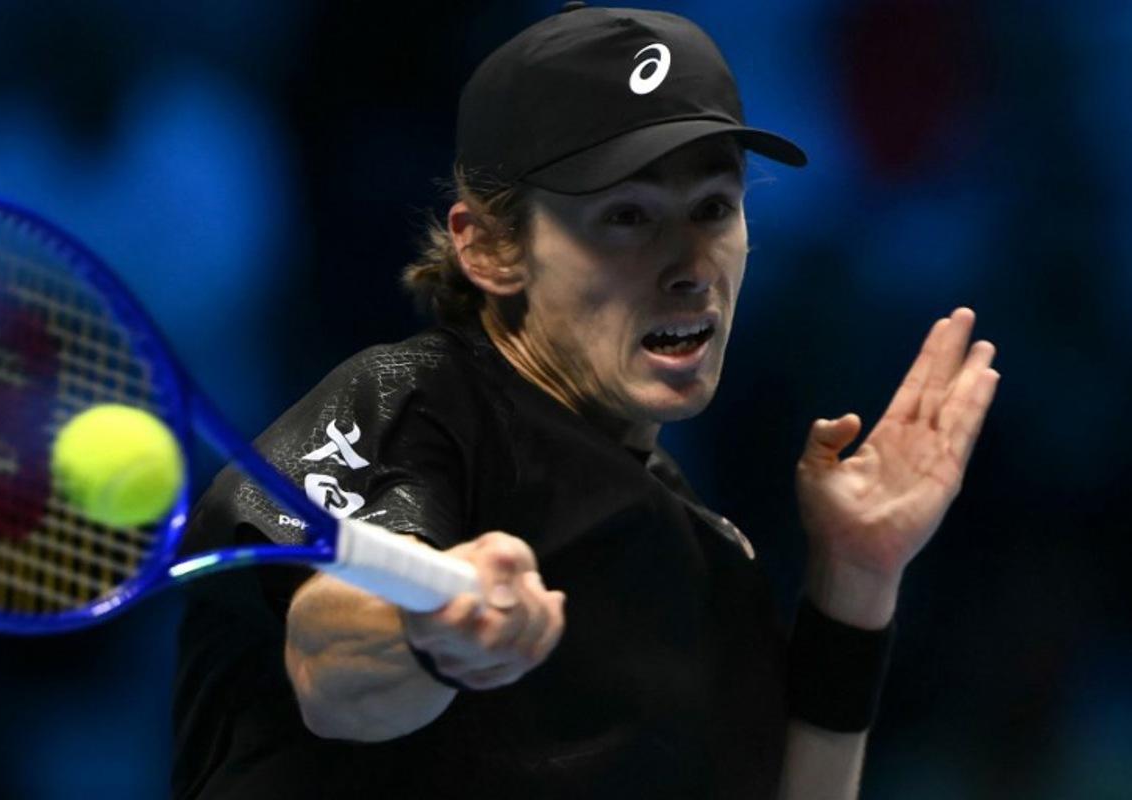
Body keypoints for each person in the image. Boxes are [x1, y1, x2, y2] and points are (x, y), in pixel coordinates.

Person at [172, 4, 999, 798]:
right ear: (490, 249)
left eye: (713, 208)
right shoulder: (417, 401)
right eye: (627, 216)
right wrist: (434, 629)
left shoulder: (711, 563)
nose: (690, 264)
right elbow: (326, 655)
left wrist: (854, 583)